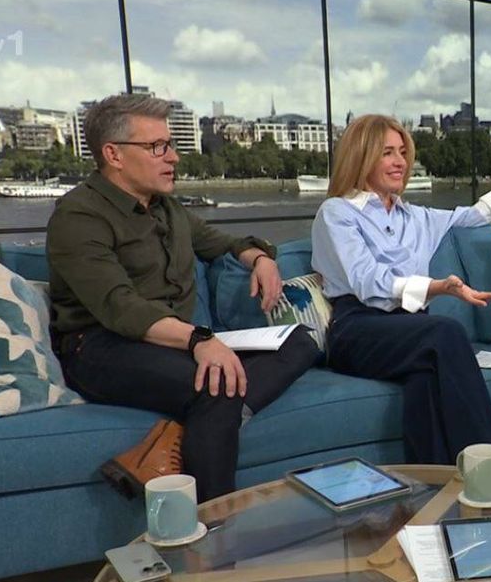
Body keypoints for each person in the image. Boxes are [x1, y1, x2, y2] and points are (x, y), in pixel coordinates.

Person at [47, 94, 320, 502]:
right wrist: (198, 340)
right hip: (101, 347)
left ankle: (183, 433)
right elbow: (121, 307)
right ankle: (216, 542)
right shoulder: (79, 215)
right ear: (113, 154)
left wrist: (260, 258)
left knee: (300, 340)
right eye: (158, 147)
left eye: (171, 145)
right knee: (216, 387)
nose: (173, 157)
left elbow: (223, 242)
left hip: (175, 343)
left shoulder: (168, 209)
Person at [311, 114, 491, 466]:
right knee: (445, 333)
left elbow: (478, 215)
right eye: (387, 152)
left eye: (403, 152)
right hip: (358, 329)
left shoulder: (418, 217)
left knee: (425, 380)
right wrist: (436, 287)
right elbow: (366, 281)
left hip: (410, 330)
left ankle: (431, 496)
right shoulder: (338, 213)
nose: (400, 162)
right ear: (362, 157)